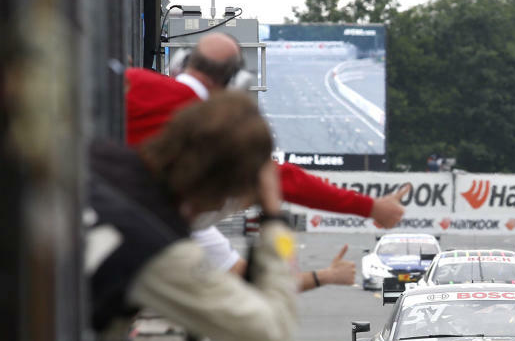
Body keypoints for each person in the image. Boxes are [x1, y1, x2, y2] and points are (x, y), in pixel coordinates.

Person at [125, 33, 405, 281]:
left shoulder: (131, 80)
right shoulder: (217, 131)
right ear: (235, 82)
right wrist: (370, 207)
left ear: (182, 63)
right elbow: (284, 180)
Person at [87, 92, 296, 341]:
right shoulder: (162, 250)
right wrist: (275, 220)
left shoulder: (95, 155)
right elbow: (272, 330)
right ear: (232, 186)